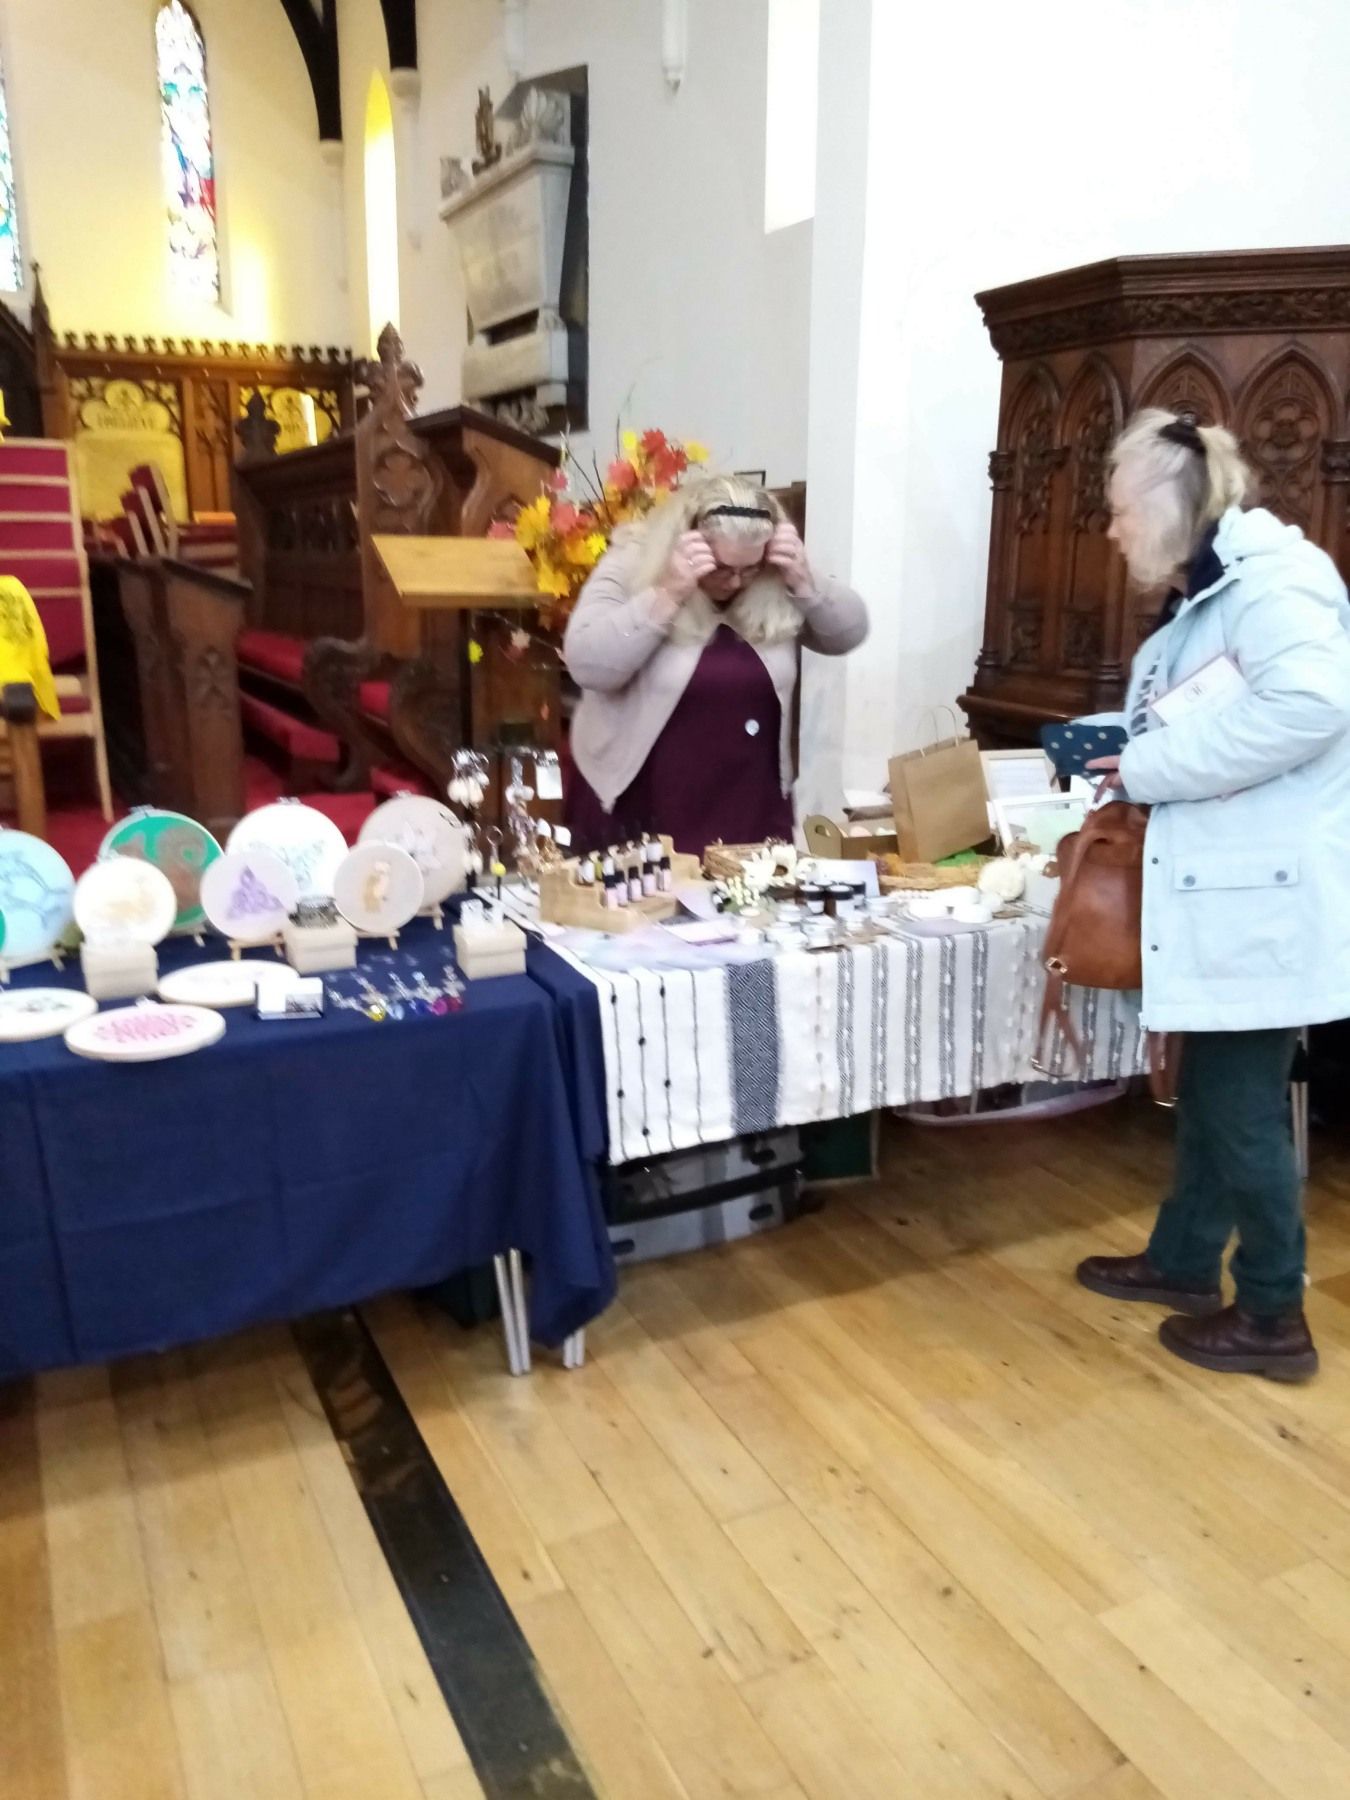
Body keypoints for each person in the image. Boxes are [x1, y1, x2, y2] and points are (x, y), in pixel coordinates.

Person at [1075, 408, 1350, 1380]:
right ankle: (1185, 1261)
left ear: (1163, 503)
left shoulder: (1276, 583)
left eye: (1115, 513)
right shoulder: (1211, 590)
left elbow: (1312, 705)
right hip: (1223, 888)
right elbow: (1204, 716)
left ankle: (1275, 1315)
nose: (1108, 533)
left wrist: (1149, 764)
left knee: (1238, 1107)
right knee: (1210, 1093)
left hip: (1259, 899)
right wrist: (1131, 747)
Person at [563, 474, 868, 854]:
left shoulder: (773, 578)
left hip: (749, 800)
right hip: (647, 800)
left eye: (749, 568)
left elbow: (848, 634)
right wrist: (668, 594)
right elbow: (588, 664)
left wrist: (806, 583)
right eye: (722, 568)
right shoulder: (633, 563)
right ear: (689, 542)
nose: (736, 581)